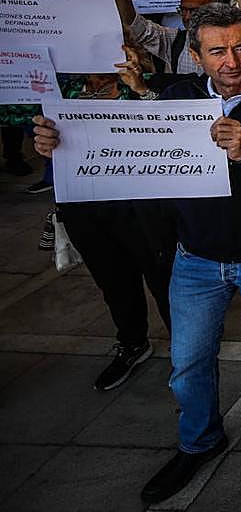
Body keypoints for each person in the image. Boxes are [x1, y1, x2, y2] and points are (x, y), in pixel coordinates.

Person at [37, 3, 241, 502]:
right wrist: (61, 142)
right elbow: (118, 140)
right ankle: (199, 440)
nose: (232, 61)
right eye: (218, 51)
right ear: (196, 55)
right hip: (196, 258)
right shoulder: (177, 97)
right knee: (188, 360)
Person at [32, 46, 177, 393]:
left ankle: (187, 350)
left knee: (163, 279)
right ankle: (132, 343)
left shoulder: (145, 85)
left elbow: (173, 124)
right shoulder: (62, 90)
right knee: (113, 280)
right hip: (85, 203)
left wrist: (140, 86)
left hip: (142, 206)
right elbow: (42, 134)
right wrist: (44, 142)